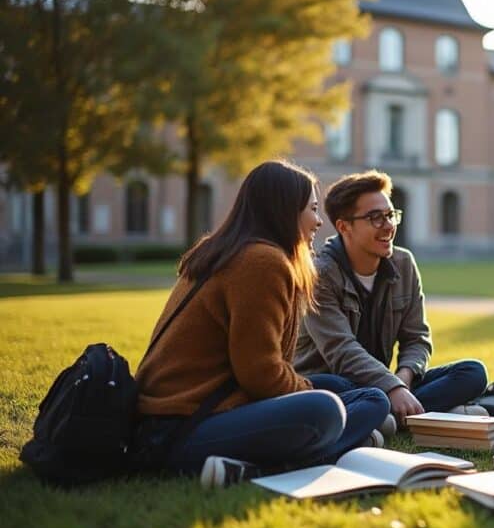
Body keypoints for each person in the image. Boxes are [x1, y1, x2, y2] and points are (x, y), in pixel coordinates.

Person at [133, 160, 391, 487]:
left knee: (364, 396)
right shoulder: (261, 262)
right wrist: (308, 394)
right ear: (285, 211)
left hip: (176, 419)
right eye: (312, 208)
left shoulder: (229, 250)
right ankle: (267, 468)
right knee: (325, 409)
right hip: (183, 429)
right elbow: (260, 374)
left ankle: (331, 443)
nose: (318, 221)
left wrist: (309, 389)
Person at [293, 170, 488, 433]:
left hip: (384, 385)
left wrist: (402, 379)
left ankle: (389, 418)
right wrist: (391, 387)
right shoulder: (319, 274)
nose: (388, 226)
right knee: (332, 386)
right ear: (343, 226)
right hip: (335, 383)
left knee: (472, 373)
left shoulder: (403, 263)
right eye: (375, 218)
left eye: (390, 215)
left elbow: (417, 337)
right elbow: (341, 351)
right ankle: (422, 413)